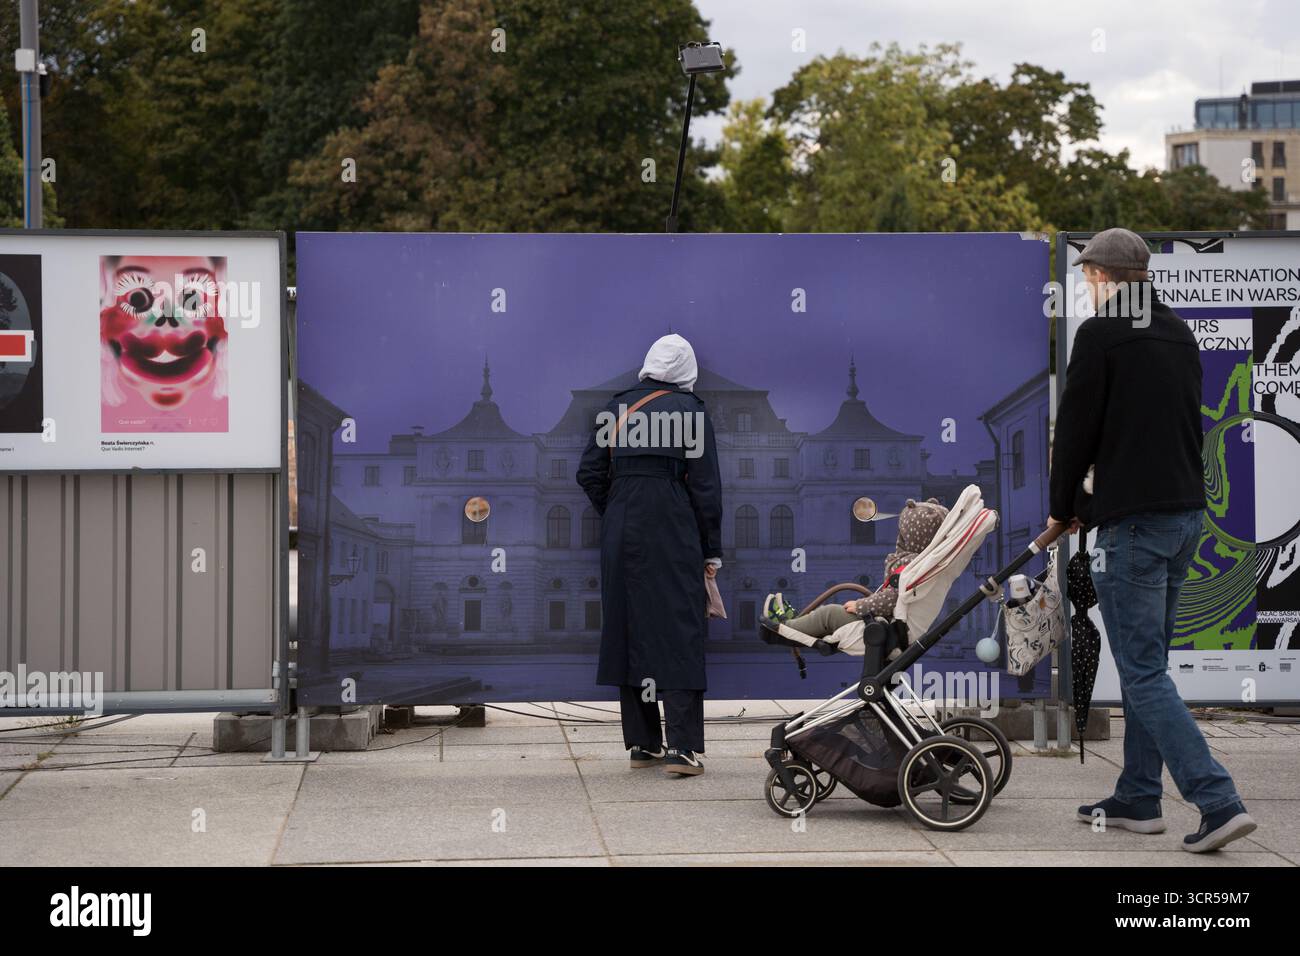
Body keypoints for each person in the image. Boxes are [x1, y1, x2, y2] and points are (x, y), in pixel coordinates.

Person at [1051, 227, 1255, 853]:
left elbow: (1078, 430)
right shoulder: (1176, 330)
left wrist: (1065, 508)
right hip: (1184, 516)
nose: (1086, 287)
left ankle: (1217, 801)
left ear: (1107, 278)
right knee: (1152, 666)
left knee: (1140, 672)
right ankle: (1139, 796)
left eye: (1088, 277)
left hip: (1133, 526)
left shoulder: (1100, 334)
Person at [576, 334, 723, 776]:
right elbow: (705, 486)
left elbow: (588, 473)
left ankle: (643, 743)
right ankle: (682, 749)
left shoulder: (614, 407)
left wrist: (618, 505)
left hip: (623, 527)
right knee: (678, 628)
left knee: (630, 626)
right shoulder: (692, 412)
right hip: (673, 525)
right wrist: (710, 548)